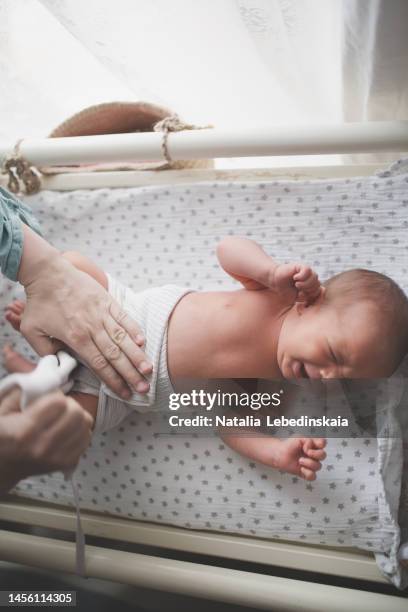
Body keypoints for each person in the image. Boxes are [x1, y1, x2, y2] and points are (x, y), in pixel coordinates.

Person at [6, 236, 408, 481]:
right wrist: (269, 270)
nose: (325, 376)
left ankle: (38, 370)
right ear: (313, 301)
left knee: (73, 425)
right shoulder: (276, 295)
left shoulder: (266, 381)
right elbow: (227, 249)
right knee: (74, 266)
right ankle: (50, 325)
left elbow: (231, 426)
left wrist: (276, 453)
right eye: (334, 354)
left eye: (341, 378)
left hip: (127, 387)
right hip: (124, 312)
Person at [0, 186, 151, 494]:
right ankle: (35, 374)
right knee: (69, 413)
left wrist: (42, 270)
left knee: (71, 264)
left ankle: (38, 368)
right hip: (123, 383)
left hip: (123, 334)